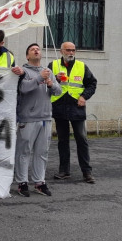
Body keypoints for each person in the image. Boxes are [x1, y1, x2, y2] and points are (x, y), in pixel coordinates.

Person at [11, 43, 61, 197]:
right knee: (24, 151)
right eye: (32, 50)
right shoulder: (23, 71)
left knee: (42, 152)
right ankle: (22, 182)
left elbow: (58, 91)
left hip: (45, 117)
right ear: (27, 56)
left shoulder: (48, 71)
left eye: (38, 49)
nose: (36, 51)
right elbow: (23, 88)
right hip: (29, 118)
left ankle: (39, 182)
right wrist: (39, 78)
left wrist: (51, 84)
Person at [48, 41, 98, 183]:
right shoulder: (53, 65)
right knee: (62, 140)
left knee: (81, 139)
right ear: (61, 51)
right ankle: (64, 170)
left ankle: (87, 172)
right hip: (59, 106)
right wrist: (53, 79)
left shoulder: (82, 66)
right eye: (68, 50)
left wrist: (84, 96)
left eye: (73, 50)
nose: (71, 52)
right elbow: (45, 83)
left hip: (76, 106)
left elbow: (92, 84)